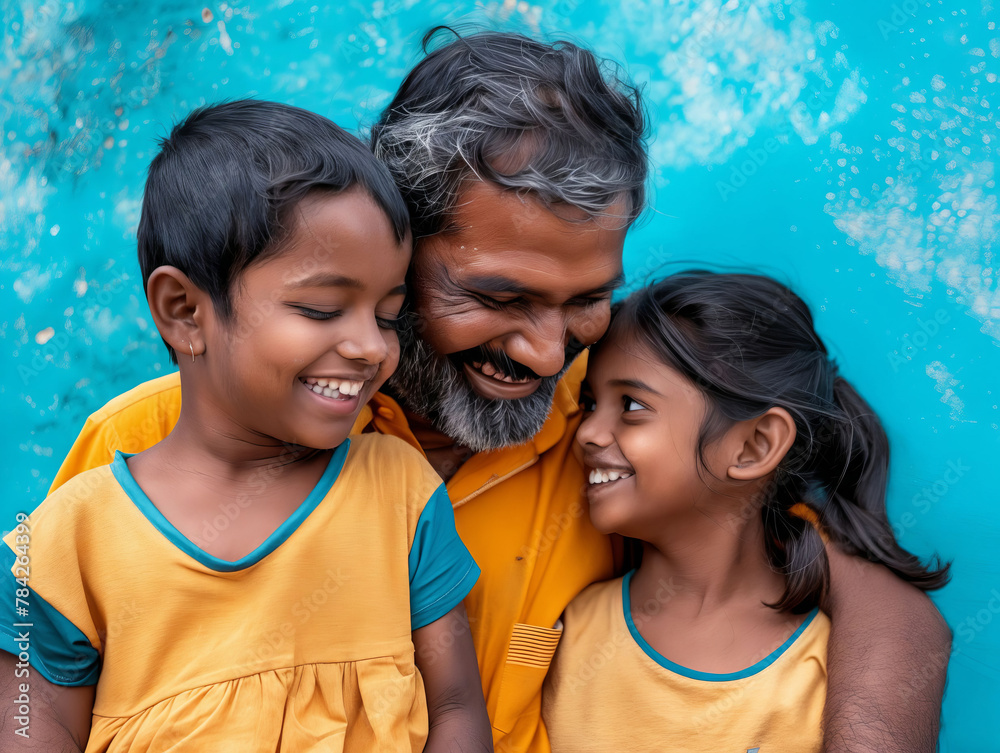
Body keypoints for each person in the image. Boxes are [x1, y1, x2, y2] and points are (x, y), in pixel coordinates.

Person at [5, 30, 951, 753]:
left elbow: (890, 612)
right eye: (497, 297)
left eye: (586, 300)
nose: (547, 353)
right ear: (392, 246)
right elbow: (32, 671)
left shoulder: (605, 432)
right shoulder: (154, 437)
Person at [0, 100, 491, 752]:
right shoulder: (65, 546)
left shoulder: (401, 496)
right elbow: (32, 726)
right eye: (322, 308)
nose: (372, 347)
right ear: (184, 312)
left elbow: (457, 707)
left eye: (387, 315)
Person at [541, 271, 951, 751]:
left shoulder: (835, 665)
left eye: (631, 404)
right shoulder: (564, 633)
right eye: (589, 403)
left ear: (755, 446)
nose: (587, 432)